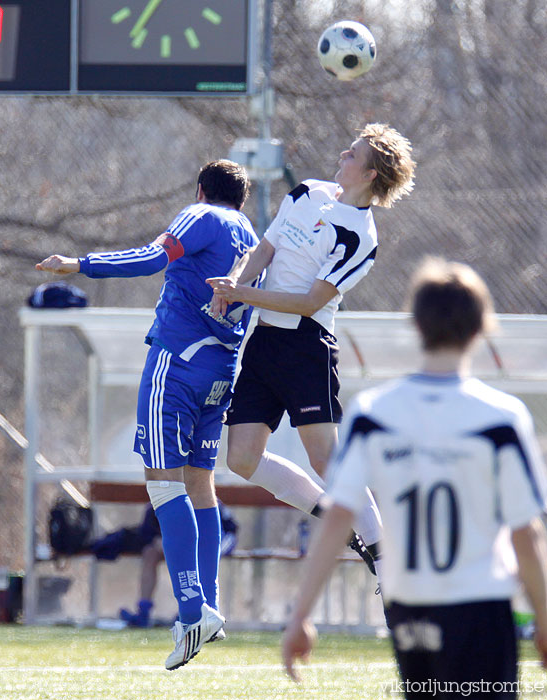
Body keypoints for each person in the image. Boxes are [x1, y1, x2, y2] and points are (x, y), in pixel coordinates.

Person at [282, 257, 547, 698]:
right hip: (479, 606)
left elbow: (335, 520)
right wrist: (543, 617)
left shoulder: (373, 413)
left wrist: (300, 616)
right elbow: (525, 531)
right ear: (481, 327)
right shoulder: (501, 418)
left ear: (417, 325)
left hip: (409, 606)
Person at [36, 159, 260, 670]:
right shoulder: (251, 234)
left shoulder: (201, 214)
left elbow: (152, 256)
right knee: (200, 484)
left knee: (163, 484)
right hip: (221, 371)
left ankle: (189, 611)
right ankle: (210, 603)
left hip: (177, 364)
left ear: (202, 189)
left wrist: (79, 264)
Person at [207, 123, 416, 573]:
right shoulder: (305, 193)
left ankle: (382, 554)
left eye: (353, 155)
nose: (343, 154)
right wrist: (234, 285)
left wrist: (243, 295)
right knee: (241, 458)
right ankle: (337, 520)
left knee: (326, 459)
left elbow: (309, 303)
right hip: (265, 341)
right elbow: (264, 249)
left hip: (307, 348)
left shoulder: (361, 238)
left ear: (371, 176)